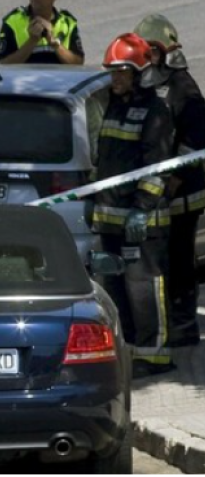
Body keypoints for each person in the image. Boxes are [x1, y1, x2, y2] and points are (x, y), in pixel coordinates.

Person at [92, 33, 175, 378]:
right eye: (112, 72)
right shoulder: (113, 105)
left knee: (143, 288)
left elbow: (156, 166)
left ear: (139, 73)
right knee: (115, 289)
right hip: (111, 219)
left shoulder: (155, 111)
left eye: (122, 72)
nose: (115, 79)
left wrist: (142, 208)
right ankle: (127, 352)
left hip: (141, 220)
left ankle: (154, 354)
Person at [134, 14, 205, 347]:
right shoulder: (153, 83)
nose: (146, 57)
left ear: (163, 50)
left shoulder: (183, 88)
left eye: (150, 49)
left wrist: (176, 178)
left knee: (179, 260)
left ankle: (184, 325)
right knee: (165, 261)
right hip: (166, 192)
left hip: (184, 194)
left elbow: (197, 139)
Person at [0, 0, 85, 65]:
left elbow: (78, 64)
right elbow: (4, 65)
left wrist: (53, 43)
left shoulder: (67, 24)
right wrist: (32, 41)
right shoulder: (12, 22)